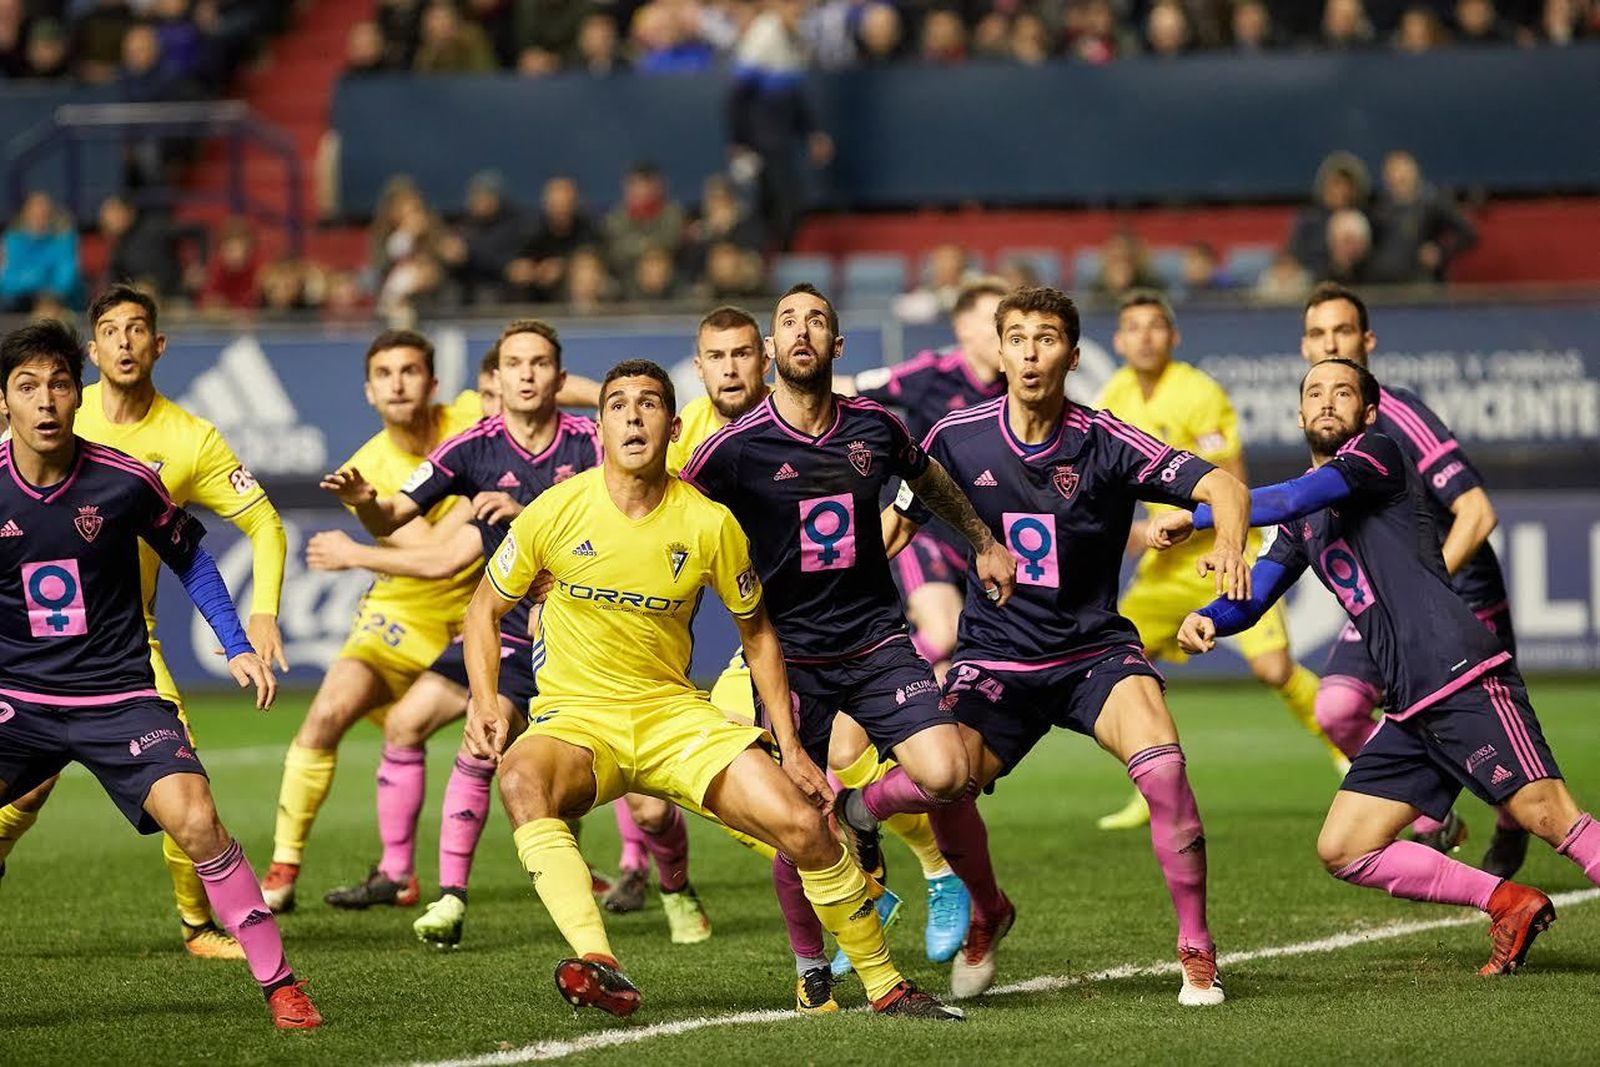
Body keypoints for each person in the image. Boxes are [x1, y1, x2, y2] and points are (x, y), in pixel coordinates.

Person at [459, 358, 961, 1020]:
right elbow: (482, 609)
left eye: (648, 404)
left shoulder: (708, 524)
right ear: (599, 426)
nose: (633, 415)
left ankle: (885, 984)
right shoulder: (554, 512)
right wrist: (486, 694)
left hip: (674, 720)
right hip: (578, 722)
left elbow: (758, 635)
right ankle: (599, 959)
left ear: (673, 426)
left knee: (805, 828)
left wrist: (792, 746)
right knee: (522, 780)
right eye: (618, 405)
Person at [1162, 357, 1600, 976]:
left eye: (1343, 392)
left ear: (1367, 412)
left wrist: (1204, 513)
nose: (1327, 401)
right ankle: (1506, 901)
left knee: (1552, 816)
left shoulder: (1379, 454)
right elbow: (1255, 595)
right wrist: (1208, 617)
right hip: (1411, 705)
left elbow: (1290, 494)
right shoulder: (1302, 518)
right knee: (1345, 846)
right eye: (1314, 392)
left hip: (1462, 676)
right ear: (1298, 413)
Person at [883, 286, 1248, 1007]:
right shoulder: (954, 438)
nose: (1028, 351)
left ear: (1072, 355)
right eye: (1015, 337)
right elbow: (894, 532)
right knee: (946, 787)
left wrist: (1228, 538)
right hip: (995, 660)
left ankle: (1198, 948)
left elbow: (1223, 483)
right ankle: (989, 910)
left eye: (1045, 338)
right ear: (997, 348)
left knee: (1167, 772)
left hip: (1093, 654)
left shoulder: (1105, 437)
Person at [681, 283, 1013, 1008]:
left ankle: (864, 815)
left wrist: (983, 539)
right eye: (788, 322)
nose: (803, 331)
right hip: (787, 654)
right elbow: (667, 520)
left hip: (876, 639)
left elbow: (931, 480)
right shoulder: (731, 451)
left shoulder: (875, 426)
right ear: (773, 352)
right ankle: (810, 965)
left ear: (837, 346)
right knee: (793, 822)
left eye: (818, 321)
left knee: (950, 769)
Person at [0, 319, 318, 1029]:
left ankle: (282, 983)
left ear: (75, 395)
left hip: (119, 697)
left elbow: (192, 558)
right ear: (4, 403)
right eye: (27, 387)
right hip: (17, 698)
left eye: (57, 383)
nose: (47, 400)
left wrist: (234, 641)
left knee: (198, 818)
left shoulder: (125, 481)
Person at [1093, 290, 1343, 834]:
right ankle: (1153, 789)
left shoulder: (1199, 392)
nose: (1144, 336)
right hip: (1162, 567)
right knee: (1121, 669)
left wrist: (1228, 540)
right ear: (1118, 340)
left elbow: (1230, 479)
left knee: (1273, 668)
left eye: (1155, 326)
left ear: (1173, 336)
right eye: (1132, 327)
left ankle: (1349, 747)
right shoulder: (1112, 395)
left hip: (1217, 551)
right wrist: (1124, 530)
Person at [1299, 283, 1528, 875]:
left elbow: (1477, 513)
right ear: (1304, 346)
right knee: (1336, 709)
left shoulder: (1402, 418)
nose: (1331, 343)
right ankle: (1432, 817)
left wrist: (1426, 587)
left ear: (1366, 340)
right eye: (1319, 334)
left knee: (1511, 758)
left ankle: (1510, 824)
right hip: (1388, 603)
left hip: (1462, 597)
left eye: (1343, 331)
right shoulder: (1324, 432)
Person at [261, 330, 485, 912]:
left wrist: (600, 398)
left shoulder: (471, 414)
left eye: (410, 371)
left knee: (526, 749)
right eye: (384, 374)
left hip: (481, 621)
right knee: (327, 712)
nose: (398, 383)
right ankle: (284, 870)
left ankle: (592, 867)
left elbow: (549, 396)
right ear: (368, 390)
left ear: (433, 383)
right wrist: (368, 507)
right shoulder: (363, 470)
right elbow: (429, 551)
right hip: (398, 618)